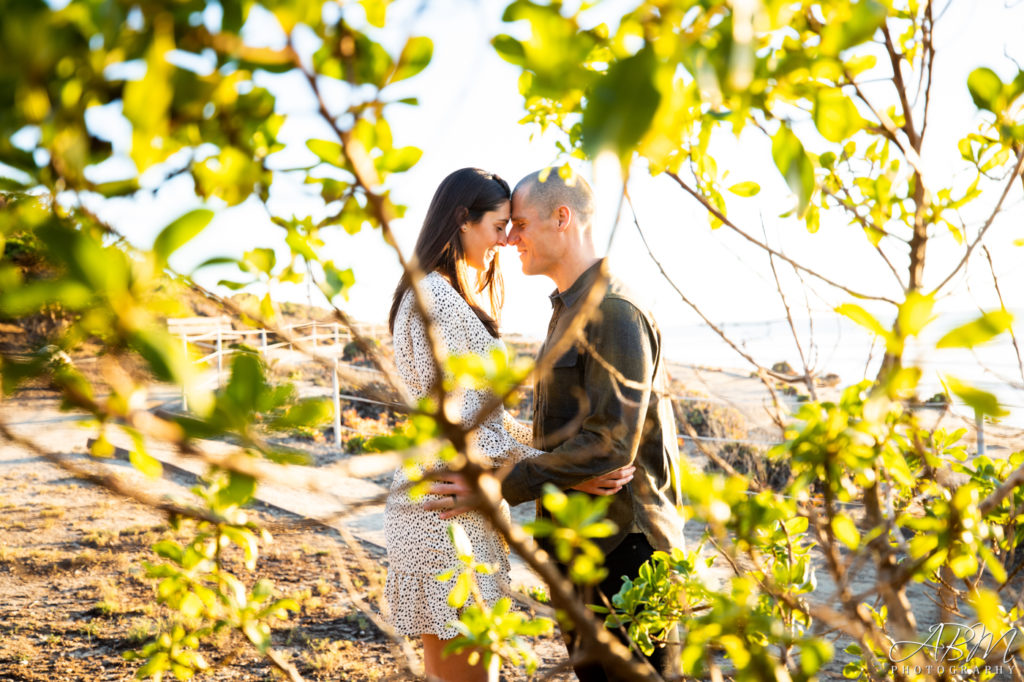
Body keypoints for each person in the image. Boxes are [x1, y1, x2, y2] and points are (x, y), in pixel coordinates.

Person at [431, 168, 685, 681]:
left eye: (520, 224)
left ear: (562, 217)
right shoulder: (567, 311)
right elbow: (567, 439)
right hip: (580, 552)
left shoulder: (612, 309)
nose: (510, 239)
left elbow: (611, 446)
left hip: (627, 555)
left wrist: (496, 486)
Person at [384, 167, 633, 682]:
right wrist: (569, 472)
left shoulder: (438, 293)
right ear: (462, 221)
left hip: (454, 499)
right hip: (447, 511)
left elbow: (488, 422)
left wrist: (558, 464)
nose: (506, 240)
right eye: (499, 226)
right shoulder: (437, 299)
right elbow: (468, 431)